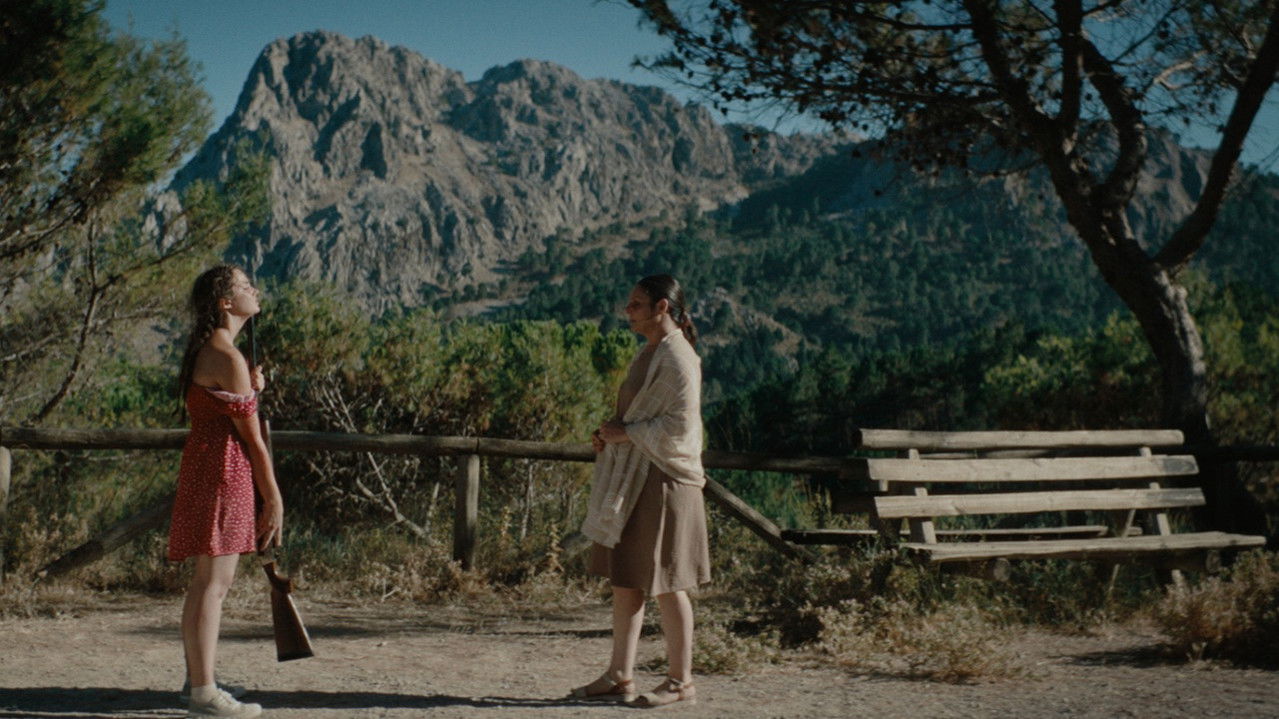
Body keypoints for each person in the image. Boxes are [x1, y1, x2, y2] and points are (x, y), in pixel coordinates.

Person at [570, 274, 710, 708]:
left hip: (665, 479)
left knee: (669, 581)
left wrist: (627, 433)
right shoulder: (649, 352)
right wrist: (610, 434)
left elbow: (681, 428)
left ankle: (681, 681)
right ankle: (619, 675)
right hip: (636, 476)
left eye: (635, 304)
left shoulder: (679, 358)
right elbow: (632, 415)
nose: (626, 311)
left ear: (661, 307)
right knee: (626, 578)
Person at [168, 264, 283, 719]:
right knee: (214, 585)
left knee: (206, 583)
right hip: (223, 473)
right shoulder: (228, 357)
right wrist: (273, 497)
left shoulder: (217, 352)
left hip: (208, 468)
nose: (254, 289)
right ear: (225, 302)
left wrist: (248, 389)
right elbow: (252, 440)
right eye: (243, 285)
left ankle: (197, 680)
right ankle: (203, 693)